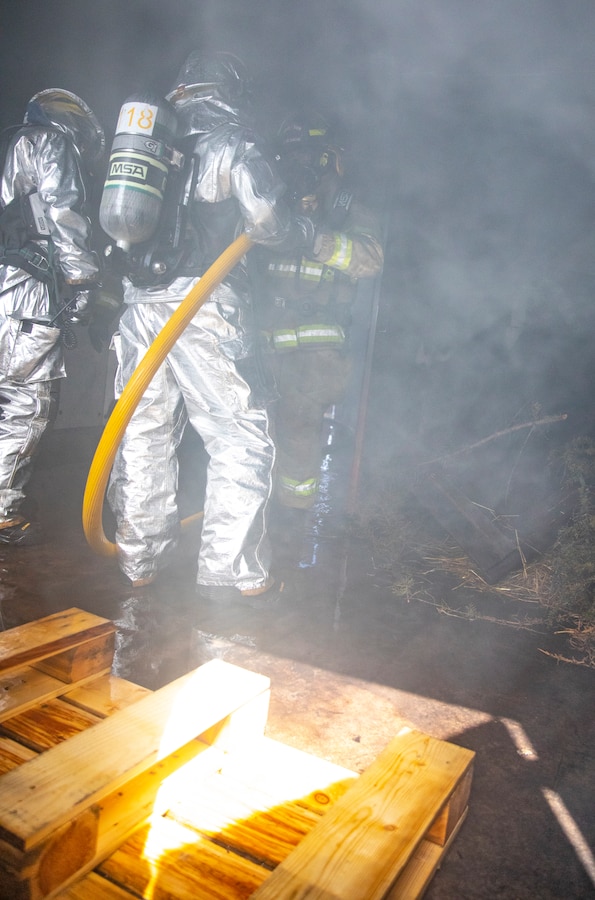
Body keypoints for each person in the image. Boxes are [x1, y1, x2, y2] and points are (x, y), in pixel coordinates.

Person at [106, 51, 315, 599]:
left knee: (143, 434)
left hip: (139, 310)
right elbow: (266, 222)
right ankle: (232, 573)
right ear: (230, 90)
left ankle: (139, 561)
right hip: (203, 307)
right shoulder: (233, 141)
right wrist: (303, 228)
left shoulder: (155, 145)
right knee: (239, 438)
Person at [256, 112, 384, 518]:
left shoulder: (349, 208)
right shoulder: (270, 205)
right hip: (264, 342)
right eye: (293, 158)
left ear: (331, 160)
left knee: (299, 431)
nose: (303, 169)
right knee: (253, 433)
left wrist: (317, 238)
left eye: (311, 158)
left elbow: (370, 258)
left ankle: (294, 520)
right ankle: (252, 512)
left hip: (317, 350)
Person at [0, 89, 105, 545]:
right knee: (29, 403)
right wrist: (82, 282)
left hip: (7, 279)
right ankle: (2, 510)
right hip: (26, 292)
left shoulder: (11, 145)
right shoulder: (48, 143)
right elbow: (63, 214)